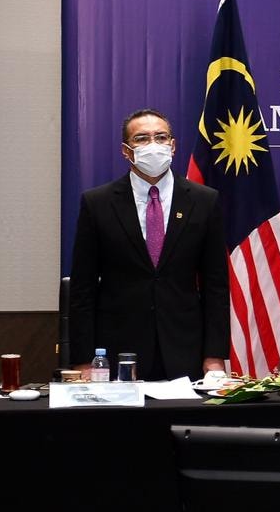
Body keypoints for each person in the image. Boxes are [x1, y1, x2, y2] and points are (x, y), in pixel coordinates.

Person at [69, 108, 230, 381]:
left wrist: (214, 356)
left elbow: (216, 285)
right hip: (118, 350)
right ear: (126, 151)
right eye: (142, 139)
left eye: (161, 137)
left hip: (184, 347)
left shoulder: (204, 201)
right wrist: (84, 361)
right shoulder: (98, 203)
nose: (153, 145)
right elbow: (82, 289)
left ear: (173, 145)